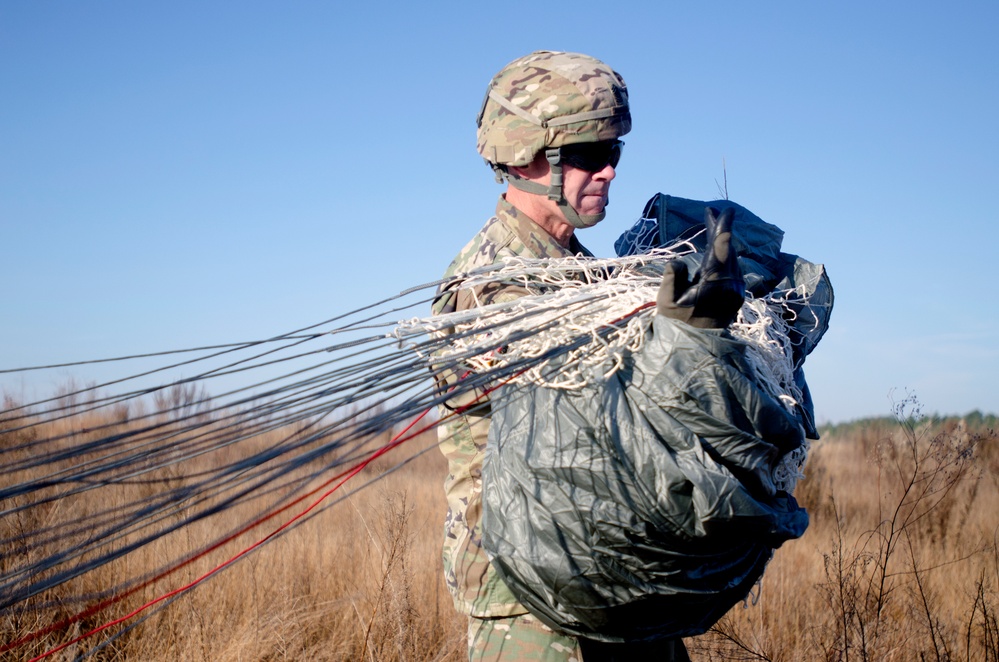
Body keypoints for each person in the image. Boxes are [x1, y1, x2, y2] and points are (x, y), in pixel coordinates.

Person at [433, 50, 694, 661]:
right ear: (526, 157)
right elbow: (578, 423)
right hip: (532, 601)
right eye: (585, 155)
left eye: (613, 155)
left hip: (618, 577)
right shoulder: (489, 287)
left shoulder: (584, 272)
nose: (606, 173)